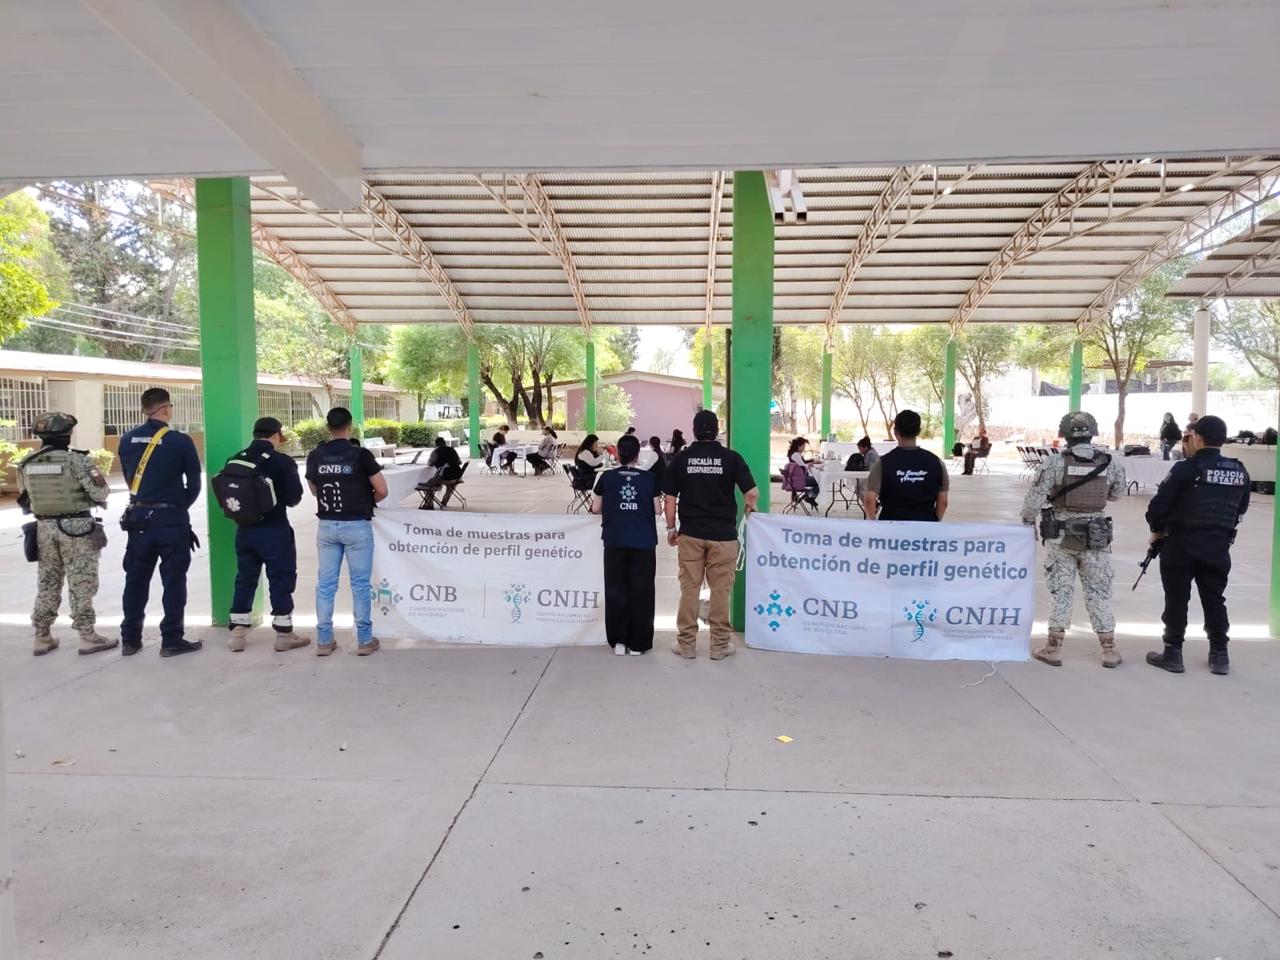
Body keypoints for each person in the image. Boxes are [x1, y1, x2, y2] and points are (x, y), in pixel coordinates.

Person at [1020, 411, 1127, 668]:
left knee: (1062, 592)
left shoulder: (1055, 462)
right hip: (1096, 538)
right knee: (1098, 593)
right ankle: (1109, 650)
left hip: (1061, 537)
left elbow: (1035, 499)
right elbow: (1117, 494)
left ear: (1065, 434)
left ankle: (1053, 649)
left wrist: (1027, 521)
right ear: (1093, 433)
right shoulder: (1110, 462)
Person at [1145, 415, 1249, 676]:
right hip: (1217, 546)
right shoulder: (1239, 471)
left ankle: (1173, 653)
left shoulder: (1185, 469)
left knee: (1177, 598)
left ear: (1198, 438)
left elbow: (1158, 507)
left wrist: (1156, 531)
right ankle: (1219, 655)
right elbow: (1241, 508)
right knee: (1215, 599)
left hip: (1180, 545)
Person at [17, 412, 115, 657]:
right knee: (82, 581)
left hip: (43, 529)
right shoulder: (77, 461)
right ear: (67, 435)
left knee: (48, 581)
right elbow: (101, 493)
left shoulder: (27, 463)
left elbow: (25, 497)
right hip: (77, 529)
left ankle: (42, 636)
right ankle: (87, 637)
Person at [663, 410, 758, 660]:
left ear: (694, 431)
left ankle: (686, 645)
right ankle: (719, 645)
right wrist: (749, 510)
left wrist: (671, 529)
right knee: (720, 591)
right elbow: (752, 493)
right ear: (717, 431)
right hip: (723, 536)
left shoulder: (681, 459)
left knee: (690, 589)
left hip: (691, 534)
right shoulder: (731, 458)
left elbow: (670, 499)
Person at [117, 387, 203, 658]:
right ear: (166, 409)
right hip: (170, 520)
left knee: (135, 580)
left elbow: (130, 479)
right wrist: (177, 506)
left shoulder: (127, 439)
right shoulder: (180, 441)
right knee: (174, 580)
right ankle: (171, 640)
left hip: (139, 518)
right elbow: (194, 483)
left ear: (145, 408)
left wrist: (146, 500)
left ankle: (130, 640)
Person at [305, 407, 388, 656]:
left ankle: (324, 640)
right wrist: (364, 500)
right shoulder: (361, 455)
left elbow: (314, 490)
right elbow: (382, 490)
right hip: (357, 526)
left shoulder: (315, 456)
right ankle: (364, 640)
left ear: (327, 428)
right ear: (350, 427)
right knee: (360, 584)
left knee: (326, 584)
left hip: (327, 526)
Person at [226, 417, 309, 653]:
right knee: (280, 578)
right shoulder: (282, 461)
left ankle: (238, 633)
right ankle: (284, 634)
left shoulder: (235, 459)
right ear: (275, 435)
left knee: (245, 578)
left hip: (244, 531)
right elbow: (293, 498)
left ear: (255, 434)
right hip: (274, 530)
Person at [591, 434, 661, 655]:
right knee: (642, 591)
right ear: (637, 455)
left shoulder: (607, 477)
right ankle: (639, 644)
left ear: (618, 454)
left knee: (616, 590)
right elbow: (658, 509)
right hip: (643, 542)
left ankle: (619, 641)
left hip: (615, 540)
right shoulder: (649, 479)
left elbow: (595, 508)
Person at [862, 410, 948, 521]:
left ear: (895, 431)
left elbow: (869, 499)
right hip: (926, 526)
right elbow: (943, 502)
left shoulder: (883, 463)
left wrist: (874, 523)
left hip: (890, 527)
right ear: (918, 431)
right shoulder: (937, 463)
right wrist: (934, 522)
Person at [421, 435, 463, 508]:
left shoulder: (435, 452)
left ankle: (429, 503)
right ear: (444, 443)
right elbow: (459, 462)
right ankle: (444, 501)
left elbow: (430, 463)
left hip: (445, 478)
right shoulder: (452, 450)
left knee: (429, 484)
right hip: (457, 477)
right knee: (451, 486)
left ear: (436, 444)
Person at [785, 437, 820, 506]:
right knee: (820, 480)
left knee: (818, 480)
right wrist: (814, 463)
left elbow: (802, 464)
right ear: (799, 446)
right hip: (800, 480)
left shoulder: (793, 454)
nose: (804, 448)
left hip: (796, 479)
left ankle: (809, 496)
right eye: (803, 446)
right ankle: (809, 497)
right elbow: (803, 466)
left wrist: (811, 462)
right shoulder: (796, 455)